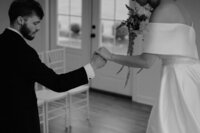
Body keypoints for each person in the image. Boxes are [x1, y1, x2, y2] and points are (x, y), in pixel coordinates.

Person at [0, 0, 106, 133]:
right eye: (35, 23)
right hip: (21, 123)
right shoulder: (25, 53)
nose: (38, 28)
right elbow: (58, 83)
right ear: (20, 20)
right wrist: (93, 66)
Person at [97, 0, 200, 132]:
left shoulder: (162, 11)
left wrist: (111, 56)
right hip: (193, 73)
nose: (137, 2)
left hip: (178, 78)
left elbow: (146, 61)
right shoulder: (181, 8)